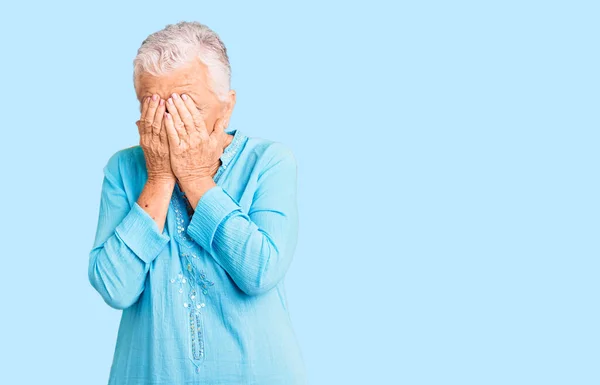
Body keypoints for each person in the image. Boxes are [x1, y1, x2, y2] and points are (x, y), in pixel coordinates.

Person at [88, 20, 306, 384]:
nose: (172, 126)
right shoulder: (123, 170)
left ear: (227, 107)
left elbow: (260, 271)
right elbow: (115, 287)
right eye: (155, 109)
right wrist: (158, 179)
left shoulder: (269, 161)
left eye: (188, 108)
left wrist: (195, 179)